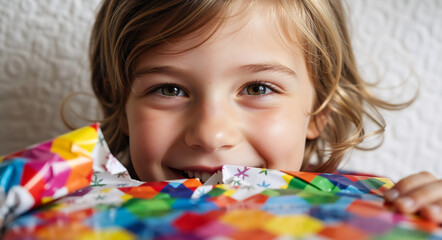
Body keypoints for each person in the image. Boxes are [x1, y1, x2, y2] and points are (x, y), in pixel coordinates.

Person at [87, 0, 441, 223]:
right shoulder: (79, 216)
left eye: (258, 89)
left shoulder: (373, 211)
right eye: (169, 90)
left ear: (319, 112)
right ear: (122, 110)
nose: (211, 134)